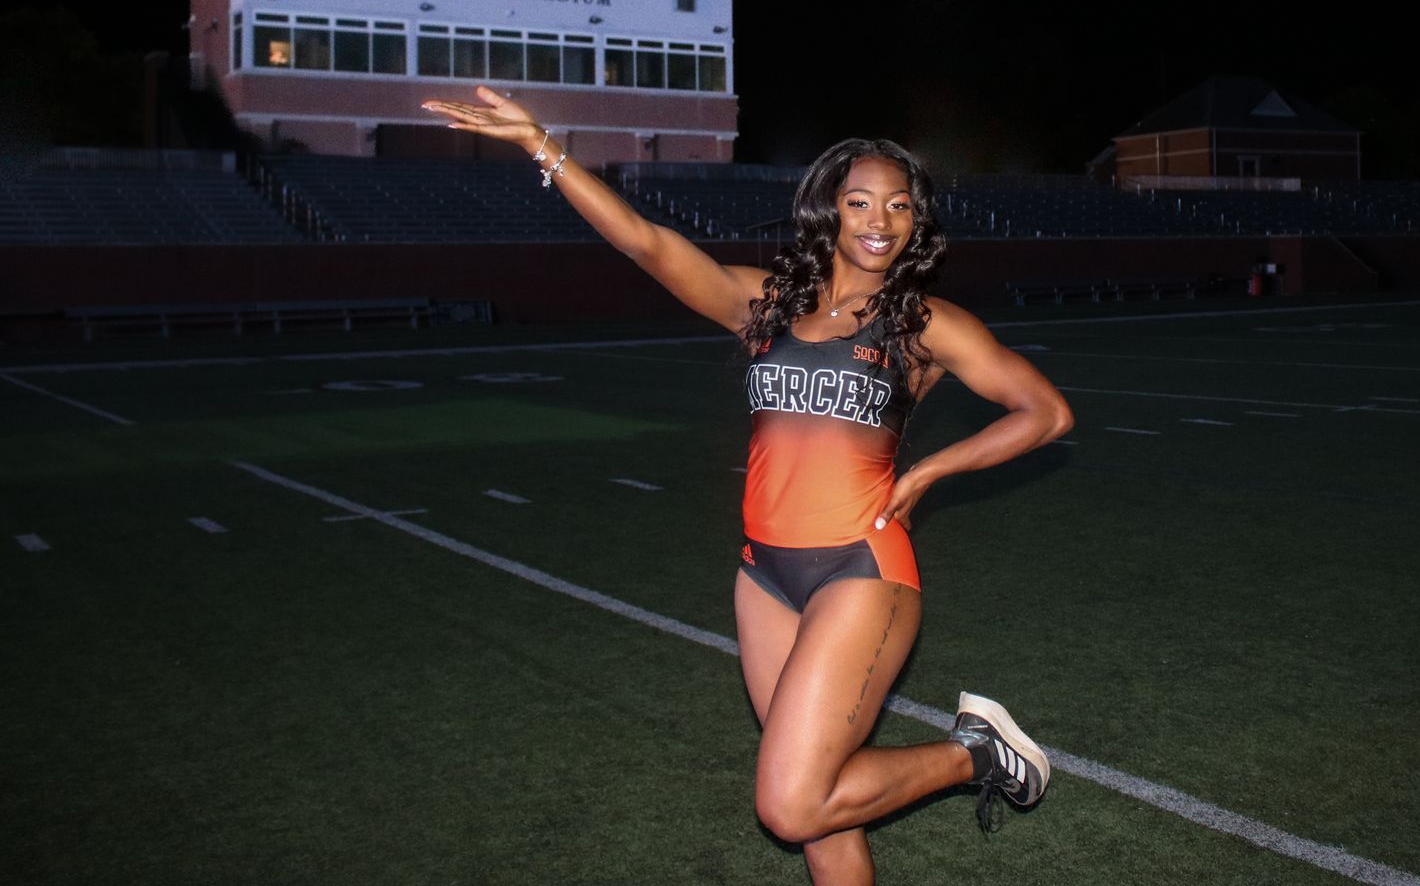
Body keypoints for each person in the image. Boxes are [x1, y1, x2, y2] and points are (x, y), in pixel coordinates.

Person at [422, 87, 1074, 885]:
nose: (880, 220)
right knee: (822, 814)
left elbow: (1045, 413)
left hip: (861, 569)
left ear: (915, 222)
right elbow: (649, 245)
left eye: (899, 205)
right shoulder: (766, 306)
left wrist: (932, 469)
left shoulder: (922, 322)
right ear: (829, 211)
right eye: (860, 202)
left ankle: (975, 755)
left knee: (792, 804)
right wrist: (541, 145)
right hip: (764, 574)